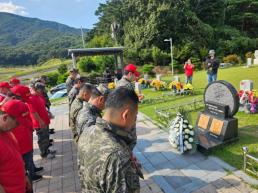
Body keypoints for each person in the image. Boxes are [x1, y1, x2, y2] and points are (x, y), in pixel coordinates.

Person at [77, 87, 140, 192]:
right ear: (126, 115)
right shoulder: (117, 156)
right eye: (135, 117)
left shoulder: (88, 131)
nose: (134, 122)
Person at [0, 100, 33, 193]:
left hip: (22, 187)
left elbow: (16, 156)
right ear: (5, 117)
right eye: (17, 123)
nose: (17, 126)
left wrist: (25, 175)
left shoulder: (7, 132)